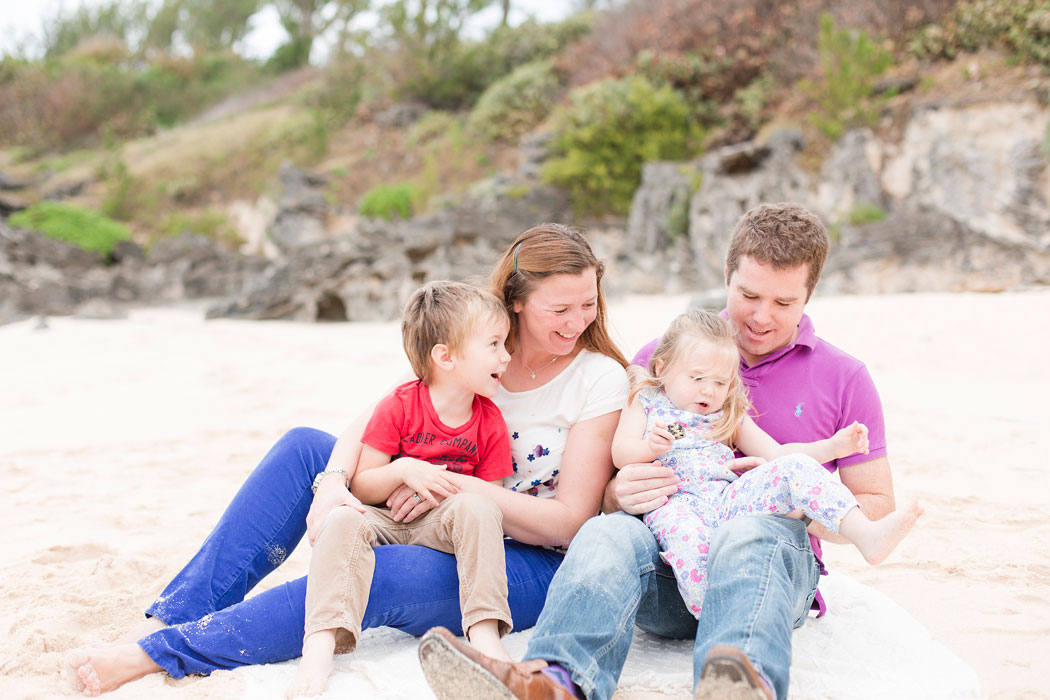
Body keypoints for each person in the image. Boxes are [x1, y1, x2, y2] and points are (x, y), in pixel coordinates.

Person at [62, 224, 629, 697]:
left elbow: (570, 521)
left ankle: (158, 653)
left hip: (522, 560)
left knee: (377, 575)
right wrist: (337, 483)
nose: (579, 320)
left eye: (589, 304)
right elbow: (380, 415)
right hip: (427, 510)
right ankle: (181, 613)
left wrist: (446, 485)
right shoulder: (481, 348)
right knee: (305, 447)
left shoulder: (597, 377)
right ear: (516, 301)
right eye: (561, 307)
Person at [417, 202, 906, 700]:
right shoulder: (659, 359)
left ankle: (739, 682)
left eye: (783, 303)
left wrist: (781, 495)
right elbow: (604, 479)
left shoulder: (846, 378)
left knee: (750, 531)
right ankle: (555, 681)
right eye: (748, 295)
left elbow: (875, 507)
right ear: (726, 276)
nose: (761, 317)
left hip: (770, 576)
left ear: (811, 294)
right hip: (671, 566)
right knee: (607, 531)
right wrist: (618, 492)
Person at [611, 308, 921, 620]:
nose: (709, 390)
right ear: (663, 368)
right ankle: (712, 614)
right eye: (697, 378)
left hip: (724, 500)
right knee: (690, 547)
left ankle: (865, 534)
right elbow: (620, 453)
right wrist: (648, 447)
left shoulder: (727, 413)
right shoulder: (647, 401)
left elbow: (777, 454)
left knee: (794, 468)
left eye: (720, 382)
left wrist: (834, 446)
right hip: (675, 502)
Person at [288, 281, 518, 698]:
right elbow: (364, 484)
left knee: (479, 509)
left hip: (443, 525)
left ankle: (485, 632)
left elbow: (491, 496)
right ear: (445, 357)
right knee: (342, 518)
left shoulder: (490, 421)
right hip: (387, 517)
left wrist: (443, 493)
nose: (507, 355)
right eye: (495, 344)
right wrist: (405, 470)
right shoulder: (399, 404)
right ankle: (319, 642)